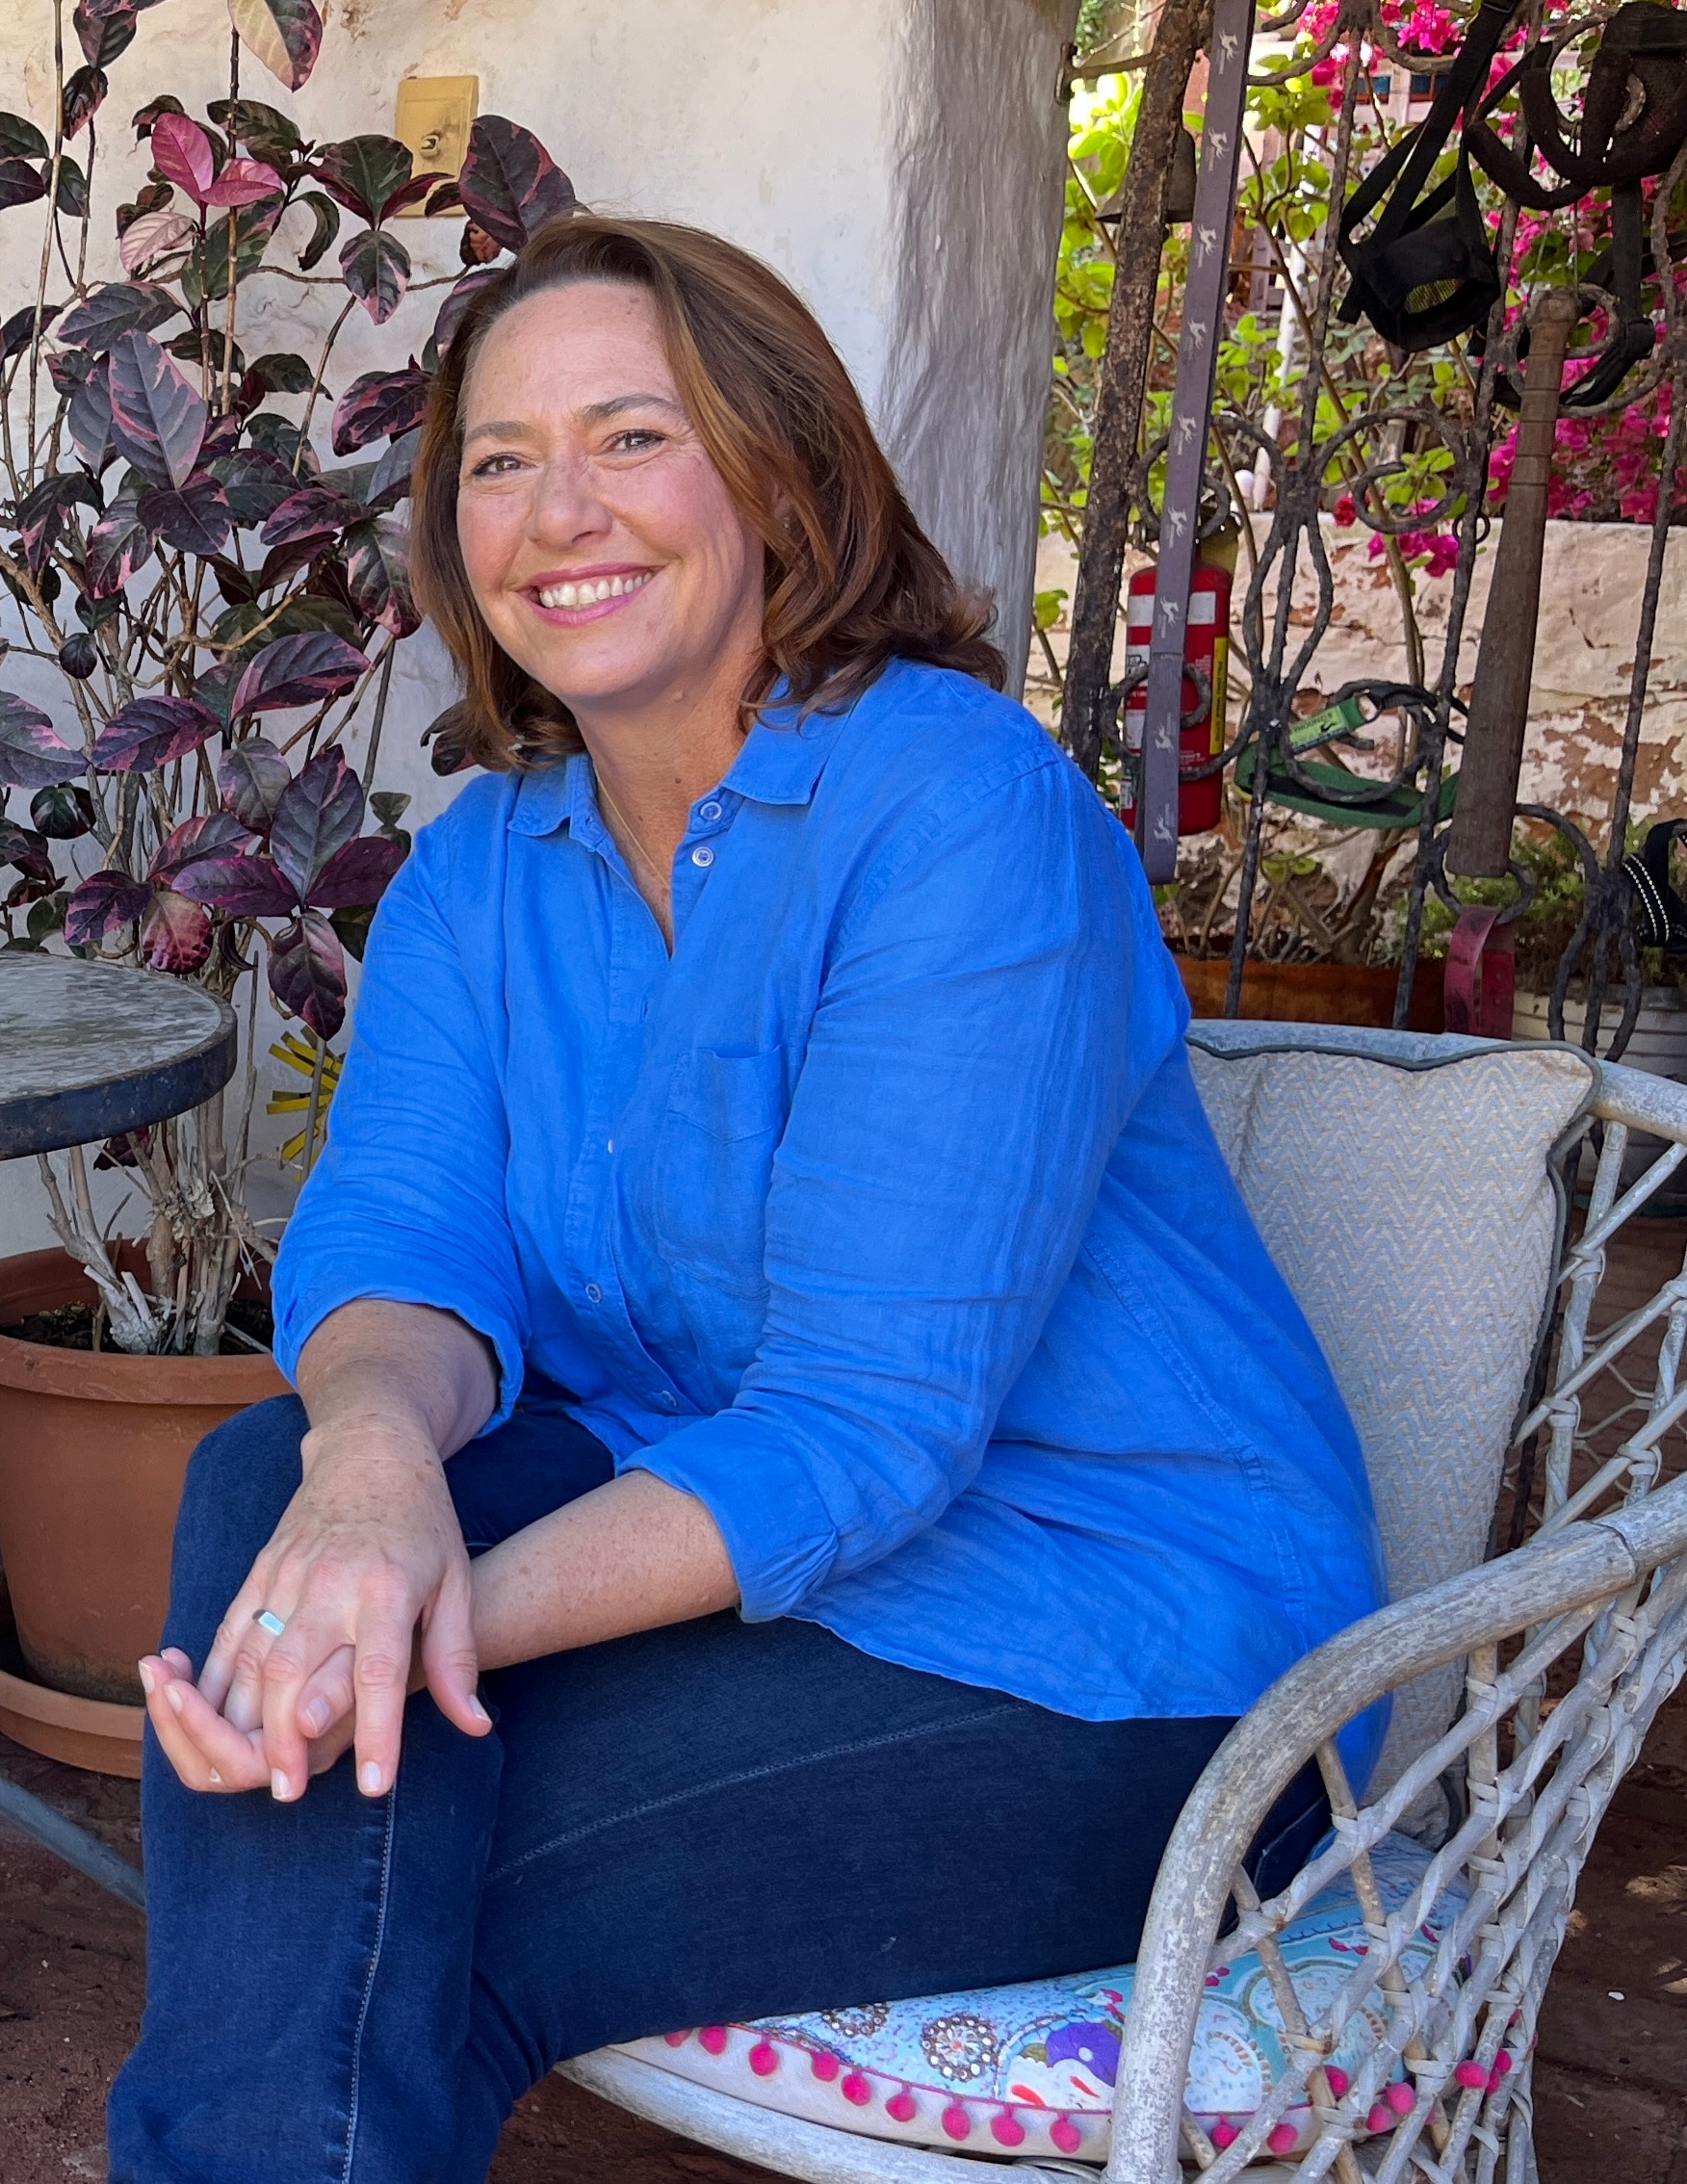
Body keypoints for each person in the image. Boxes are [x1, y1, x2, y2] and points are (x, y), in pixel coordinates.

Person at [101, 216, 1387, 2182]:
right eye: (501, 462)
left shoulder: (956, 811)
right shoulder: (479, 872)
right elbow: (404, 1253)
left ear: (779, 473)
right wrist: (367, 1484)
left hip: (1120, 1646)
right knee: (266, 1497)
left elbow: (866, 1425)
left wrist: (410, 1623)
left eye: (634, 436)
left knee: (370, 1904)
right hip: (735, 1558)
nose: (558, 512)